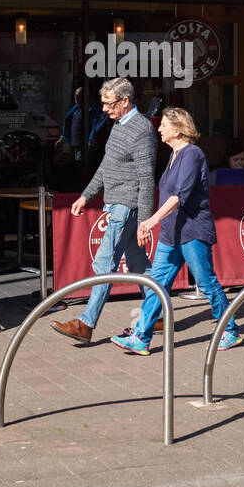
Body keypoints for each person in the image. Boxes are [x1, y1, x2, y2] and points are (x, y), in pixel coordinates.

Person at [110, 108, 243, 355]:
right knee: (157, 284)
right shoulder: (173, 156)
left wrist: (150, 222)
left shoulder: (192, 155)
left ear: (178, 129)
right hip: (171, 233)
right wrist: (153, 222)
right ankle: (142, 337)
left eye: (163, 125)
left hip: (192, 231)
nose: (159, 129)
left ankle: (230, 330)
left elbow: (178, 197)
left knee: (206, 282)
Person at [51, 77, 157, 344]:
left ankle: (86, 324)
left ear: (125, 100)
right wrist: (86, 195)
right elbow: (106, 166)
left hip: (127, 205)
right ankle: (157, 313)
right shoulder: (119, 124)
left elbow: (146, 179)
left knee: (104, 263)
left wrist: (145, 221)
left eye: (109, 103)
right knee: (137, 264)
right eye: (103, 103)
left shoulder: (141, 130)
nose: (105, 109)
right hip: (118, 202)